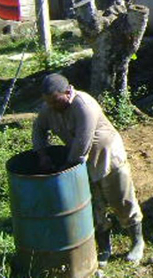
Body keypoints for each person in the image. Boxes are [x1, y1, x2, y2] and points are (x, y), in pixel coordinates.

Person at [32, 74, 144, 267]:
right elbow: (39, 129)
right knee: (94, 206)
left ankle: (137, 242)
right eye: (48, 102)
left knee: (121, 200)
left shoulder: (84, 105)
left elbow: (82, 143)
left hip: (107, 157)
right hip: (81, 163)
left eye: (55, 101)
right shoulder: (50, 107)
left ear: (68, 92)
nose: (52, 106)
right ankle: (105, 248)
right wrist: (42, 155)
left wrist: (65, 170)